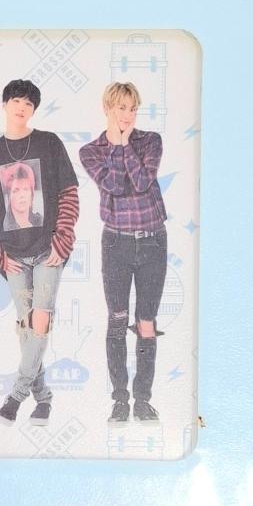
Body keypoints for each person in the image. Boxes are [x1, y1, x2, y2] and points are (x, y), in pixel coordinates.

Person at [0, 79, 79, 427]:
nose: (22, 108)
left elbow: (69, 194)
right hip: (13, 256)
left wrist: (62, 239)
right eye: (16, 101)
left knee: (41, 318)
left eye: (29, 104)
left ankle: (15, 397)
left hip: (48, 251)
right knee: (25, 327)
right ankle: (44, 398)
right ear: (4, 105)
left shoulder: (49, 143)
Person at [79, 82, 167, 425]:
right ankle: (119, 400)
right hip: (116, 243)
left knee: (146, 323)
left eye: (132, 109)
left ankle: (143, 401)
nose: (128, 115)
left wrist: (125, 143)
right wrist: (116, 145)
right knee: (117, 321)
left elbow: (143, 182)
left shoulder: (150, 141)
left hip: (153, 242)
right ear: (107, 108)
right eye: (121, 108)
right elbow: (115, 185)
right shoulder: (91, 151)